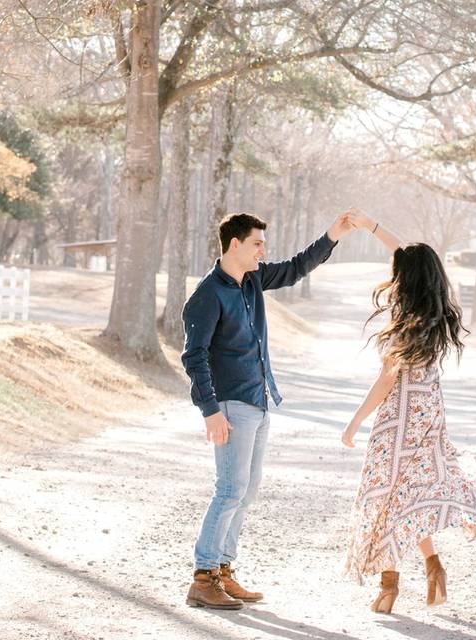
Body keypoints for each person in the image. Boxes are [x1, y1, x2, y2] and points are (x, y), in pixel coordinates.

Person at [341, 213, 476, 613]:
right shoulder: (434, 317)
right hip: (430, 416)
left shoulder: (404, 325)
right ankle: (433, 566)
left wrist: (355, 421)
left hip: (398, 420)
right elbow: (406, 253)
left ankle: (389, 585)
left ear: (406, 279)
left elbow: (386, 380)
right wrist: (371, 227)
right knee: (411, 495)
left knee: (386, 496)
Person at [181, 210, 357, 610]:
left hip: (258, 403)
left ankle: (223, 571)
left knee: (246, 491)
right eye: (257, 243)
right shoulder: (208, 295)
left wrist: (334, 233)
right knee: (229, 490)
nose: (263, 250)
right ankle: (202, 576)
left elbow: (297, 268)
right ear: (235, 245)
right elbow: (194, 356)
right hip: (229, 406)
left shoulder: (253, 281)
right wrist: (210, 410)